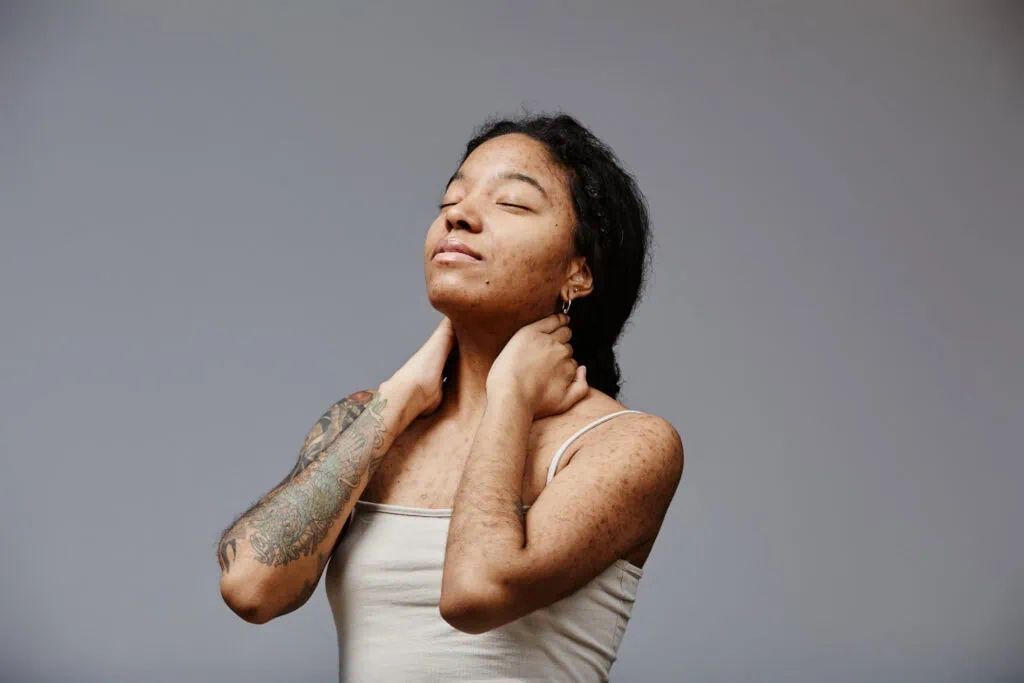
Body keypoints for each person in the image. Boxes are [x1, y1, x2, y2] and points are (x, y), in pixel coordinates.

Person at [216, 110, 685, 681]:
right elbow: (252, 588)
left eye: (511, 203)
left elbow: (475, 594)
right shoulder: (371, 419)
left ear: (578, 273)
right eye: (450, 200)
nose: (458, 215)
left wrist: (509, 395)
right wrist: (397, 399)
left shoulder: (628, 445)